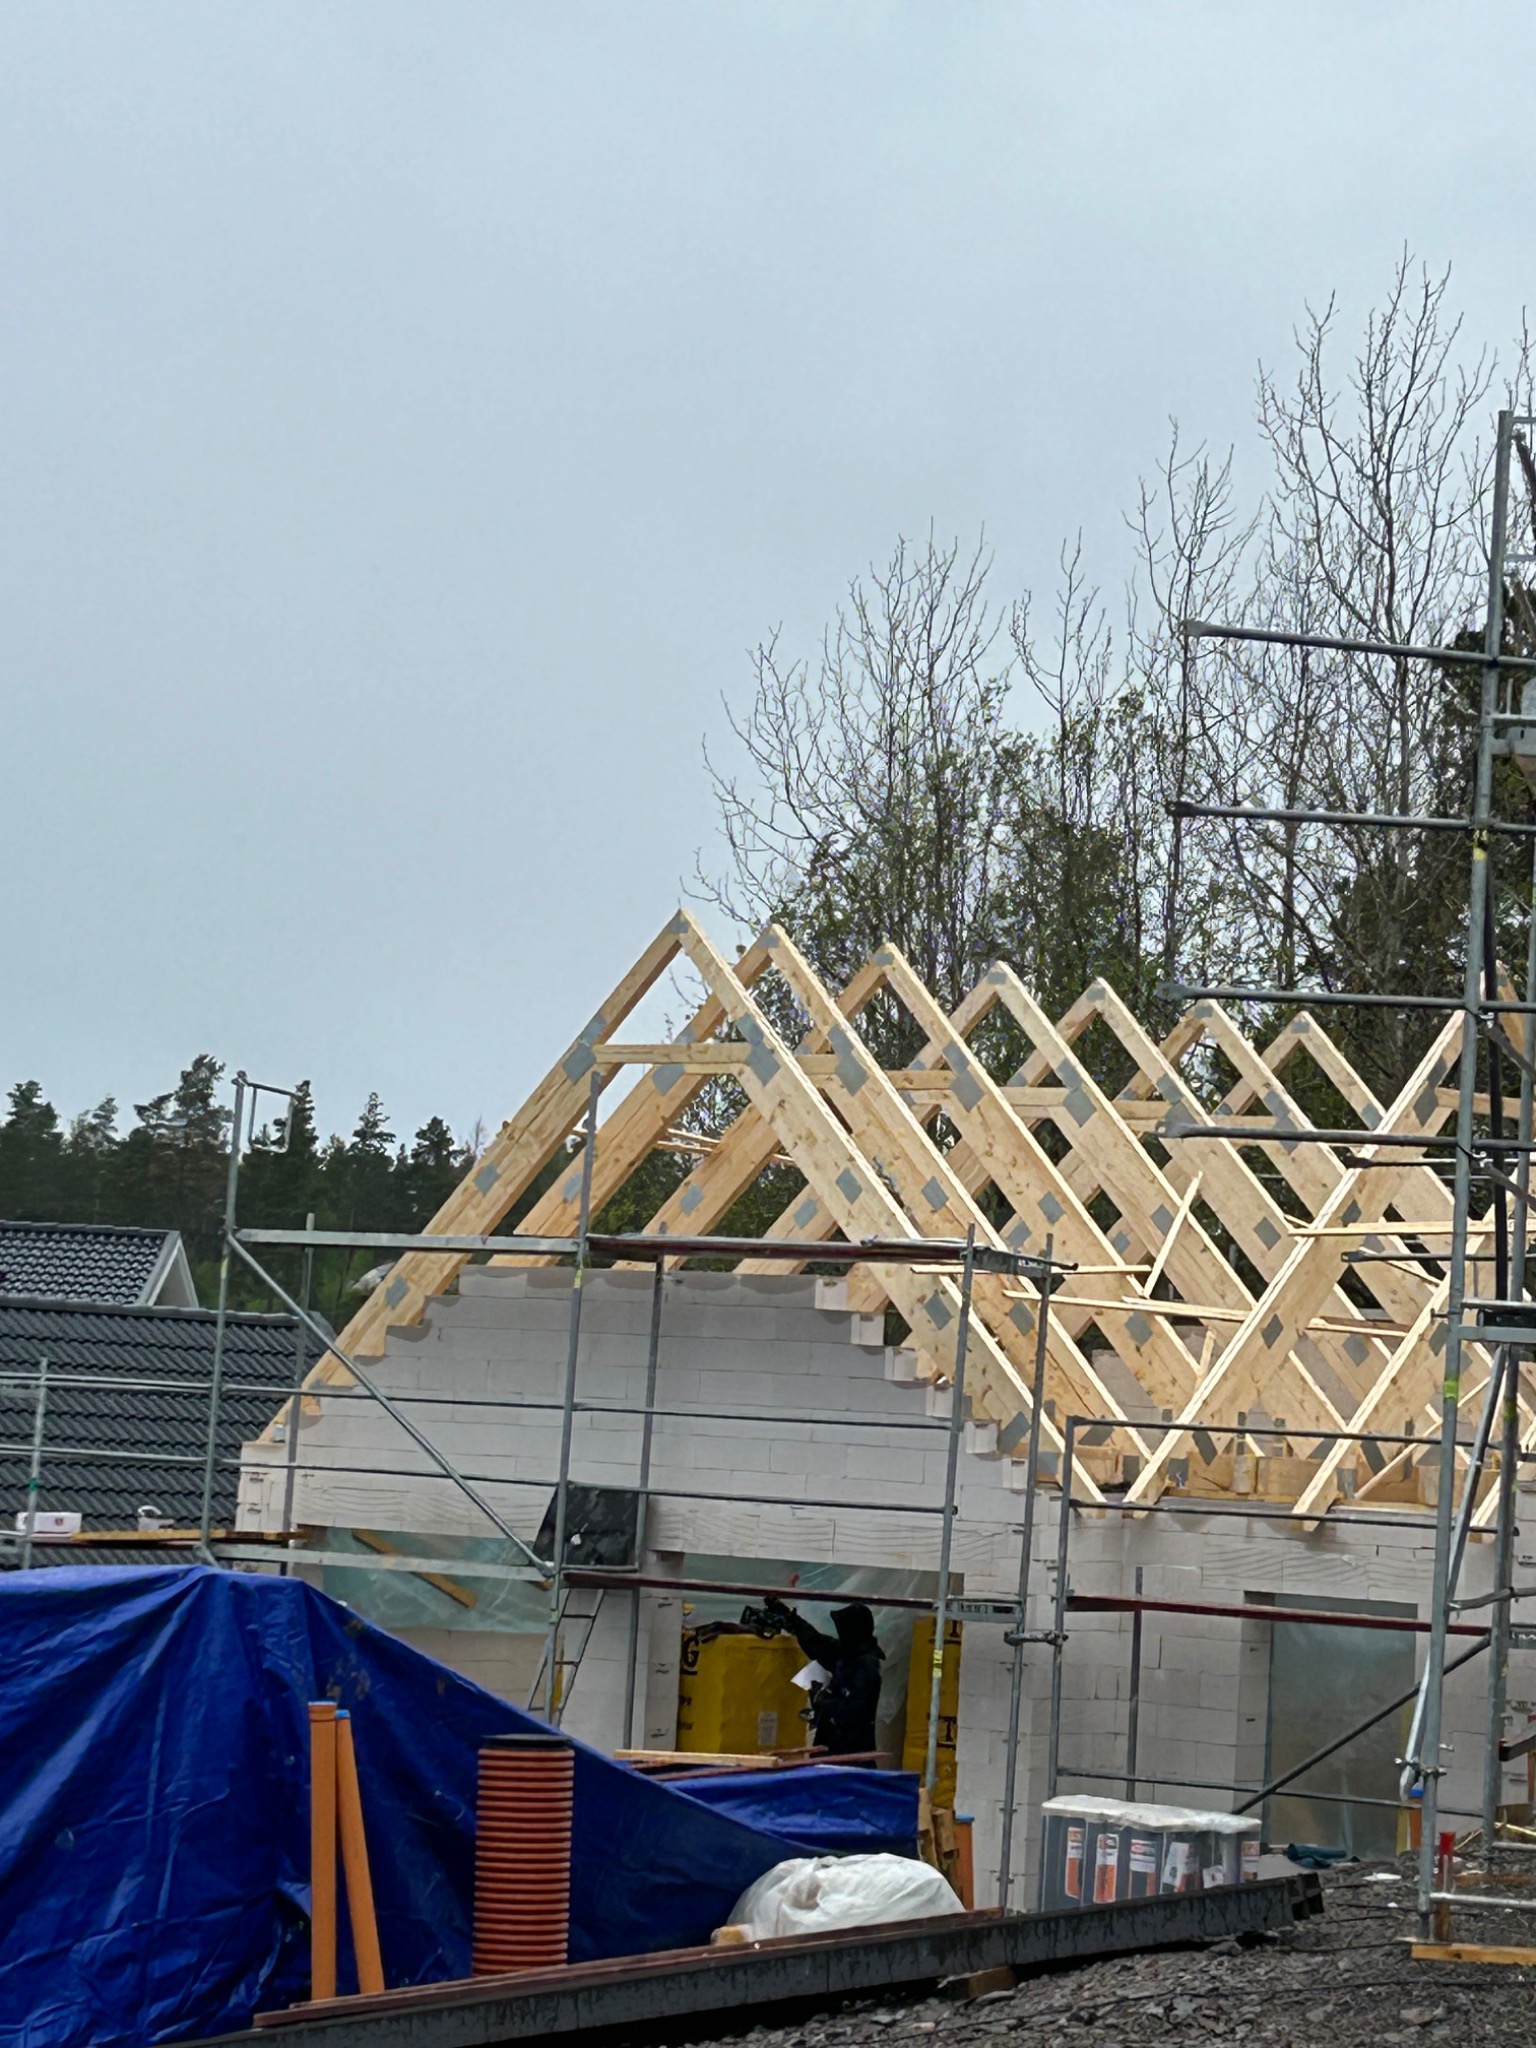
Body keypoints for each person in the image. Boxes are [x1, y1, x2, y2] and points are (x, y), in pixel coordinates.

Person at [763, 1595, 884, 1756]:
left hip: (850, 1752)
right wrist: (791, 1618)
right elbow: (817, 1643)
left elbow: (855, 1711)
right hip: (831, 1744)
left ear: (853, 1631)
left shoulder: (866, 1667)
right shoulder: (847, 1653)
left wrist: (823, 1700)